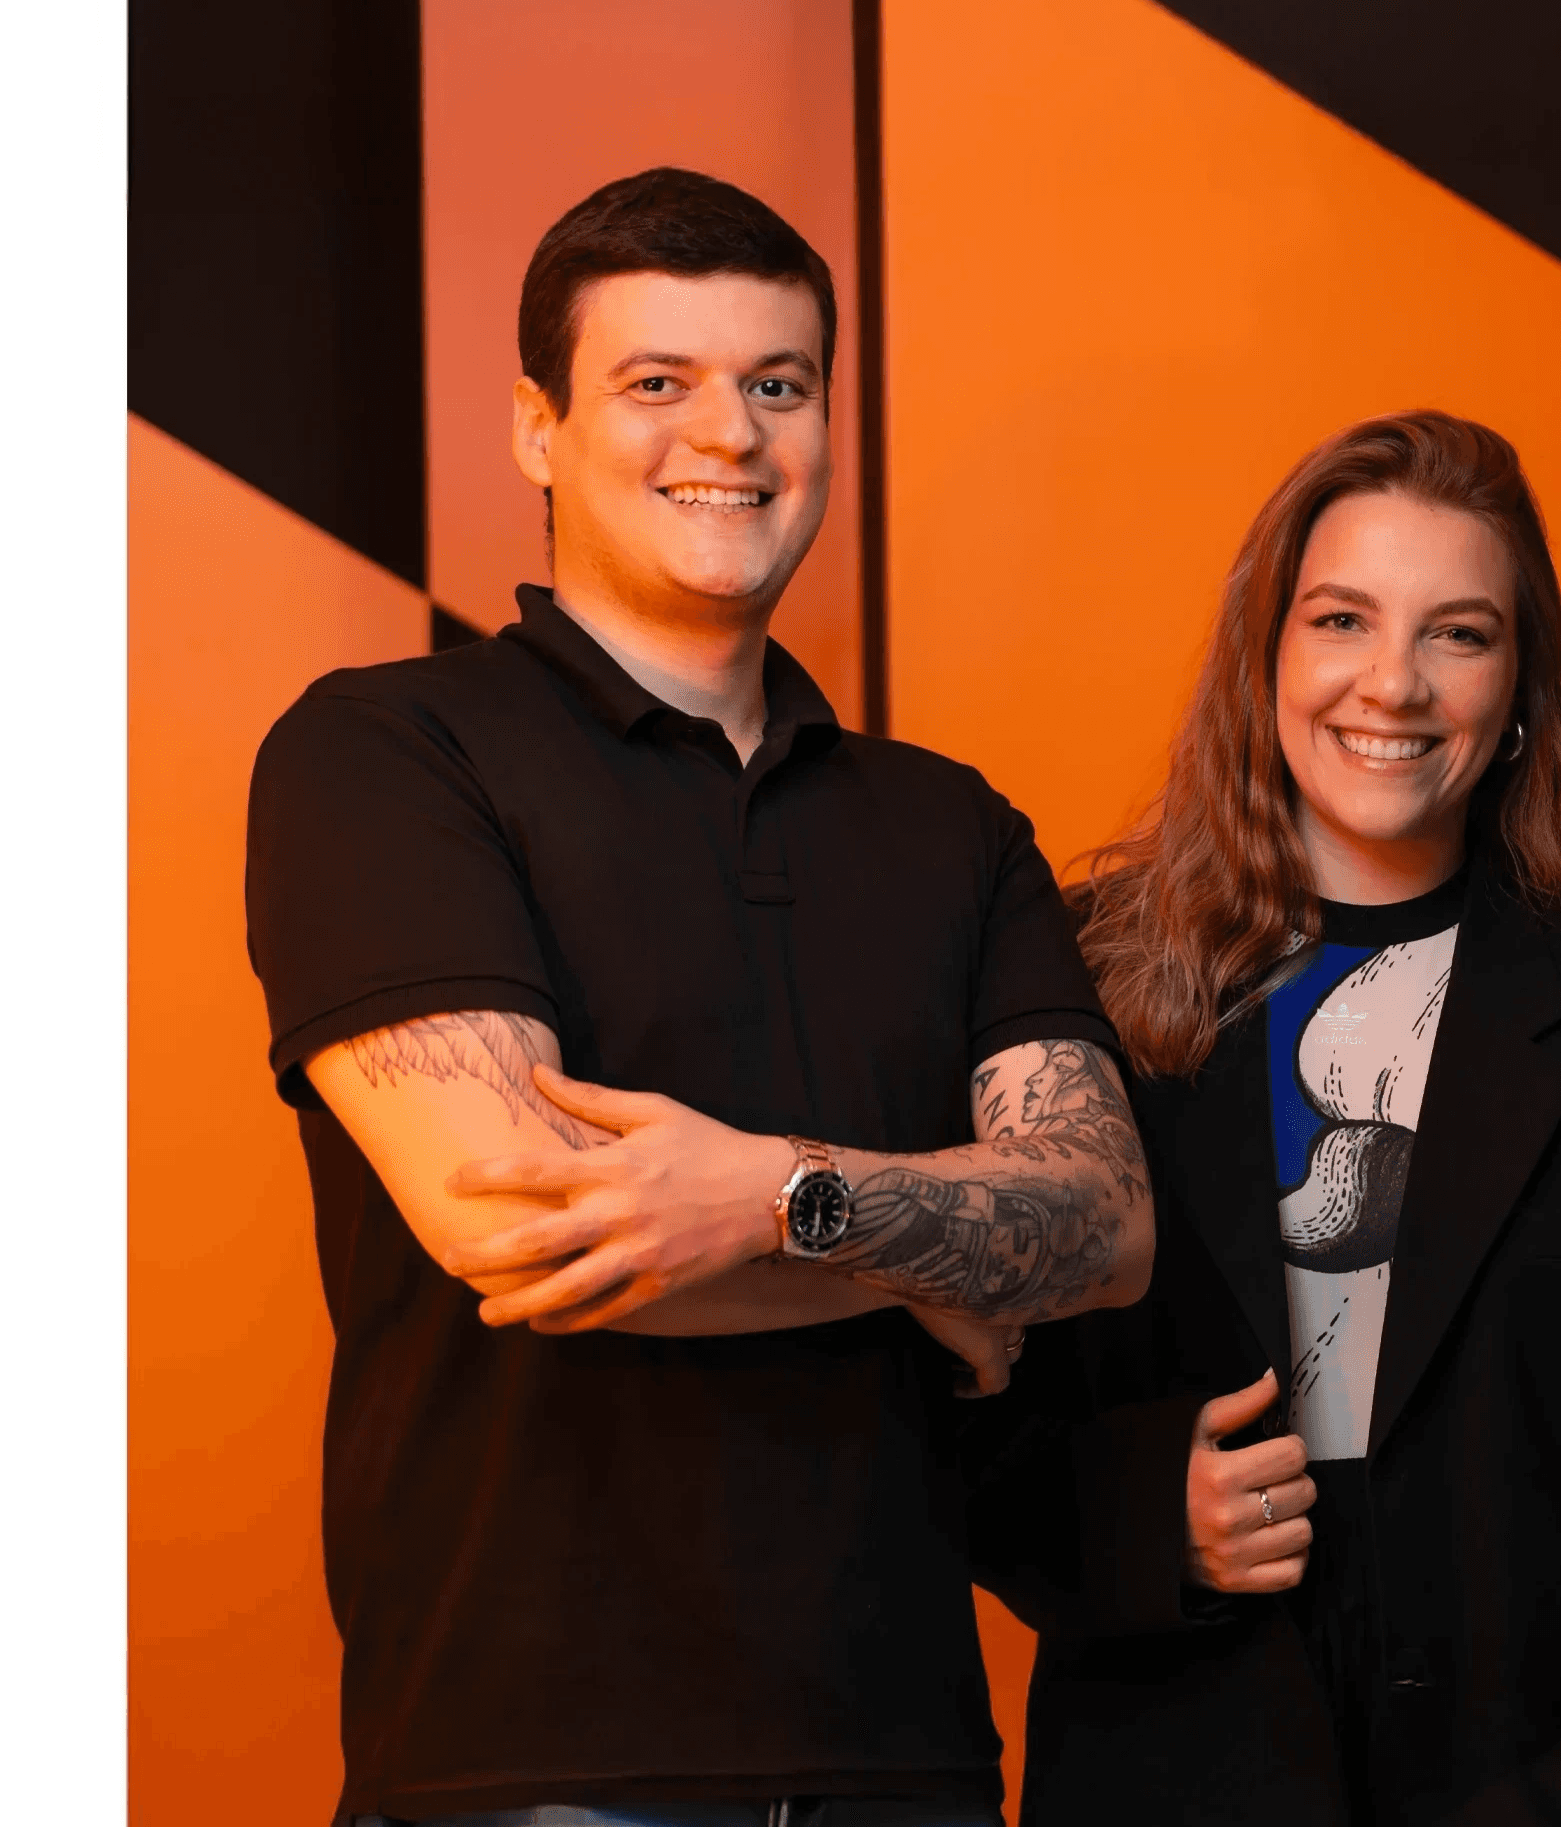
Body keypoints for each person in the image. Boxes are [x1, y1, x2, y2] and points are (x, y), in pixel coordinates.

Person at [244, 166, 1153, 1827]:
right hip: (532, 1768)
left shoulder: (951, 823)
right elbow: (529, 1229)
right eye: (657, 382)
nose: (727, 435)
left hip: (910, 1767)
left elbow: (1101, 1220)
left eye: (777, 385)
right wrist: (920, 1259)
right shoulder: (382, 751)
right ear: (539, 429)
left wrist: (772, 1198)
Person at [975, 411, 1561, 1827]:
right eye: (1343, 617)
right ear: (1267, 656)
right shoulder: (1071, 983)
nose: (1394, 684)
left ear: (1522, 683)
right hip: (1174, 1779)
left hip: (1552, 1790)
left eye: (1459, 633)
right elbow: (956, 1411)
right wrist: (1136, 1518)